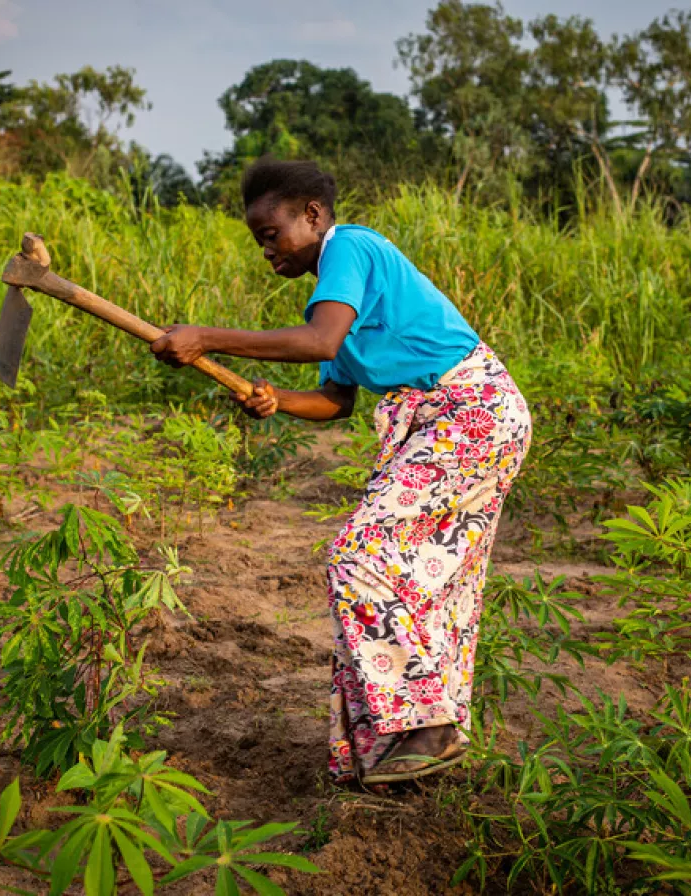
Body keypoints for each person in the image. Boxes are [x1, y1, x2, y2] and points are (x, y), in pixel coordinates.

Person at [150, 158, 531, 785]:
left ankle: (426, 725)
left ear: (313, 215)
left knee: (358, 556)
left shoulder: (348, 248)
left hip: (471, 411)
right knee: (427, 581)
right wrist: (274, 398)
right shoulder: (332, 296)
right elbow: (336, 398)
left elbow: (319, 342)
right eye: (258, 242)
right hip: (439, 421)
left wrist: (207, 337)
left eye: (271, 234)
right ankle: (403, 747)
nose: (266, 251)